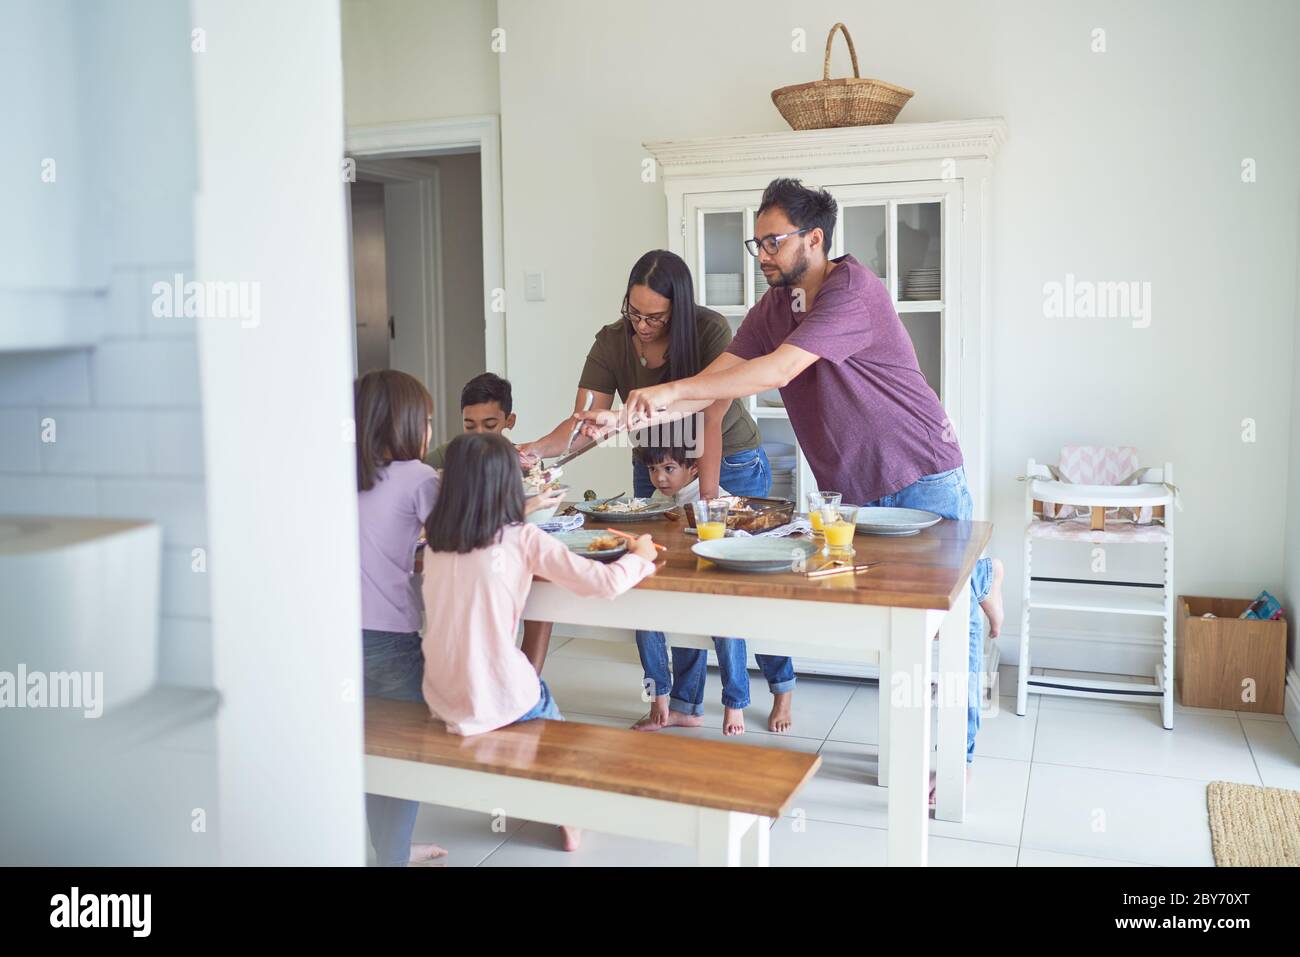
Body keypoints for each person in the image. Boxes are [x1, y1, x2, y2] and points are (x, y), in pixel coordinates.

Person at [419, 432, 659, 851]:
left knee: (521, 698)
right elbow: (601, 584)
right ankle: (569, 816)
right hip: (499, 692)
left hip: (442, 693)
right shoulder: (521, 538)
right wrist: (640, 556)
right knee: (555, 730)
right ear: (510, 486)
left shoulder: (437, 543)